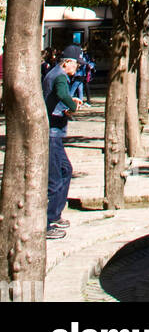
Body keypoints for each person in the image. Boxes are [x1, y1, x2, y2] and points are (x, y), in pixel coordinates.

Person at [42, 45, 82, 238]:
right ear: (67, 62)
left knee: (66, 170)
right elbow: (62, 94)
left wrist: (67, 106)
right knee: (56, 178)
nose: (78, 68)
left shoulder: (56, 74)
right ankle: (46, 223)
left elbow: (56, 99)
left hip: (55, 132)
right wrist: (72, 105)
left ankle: (55, 214)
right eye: (76, 64)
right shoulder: (59, 76)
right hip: (52, 135)